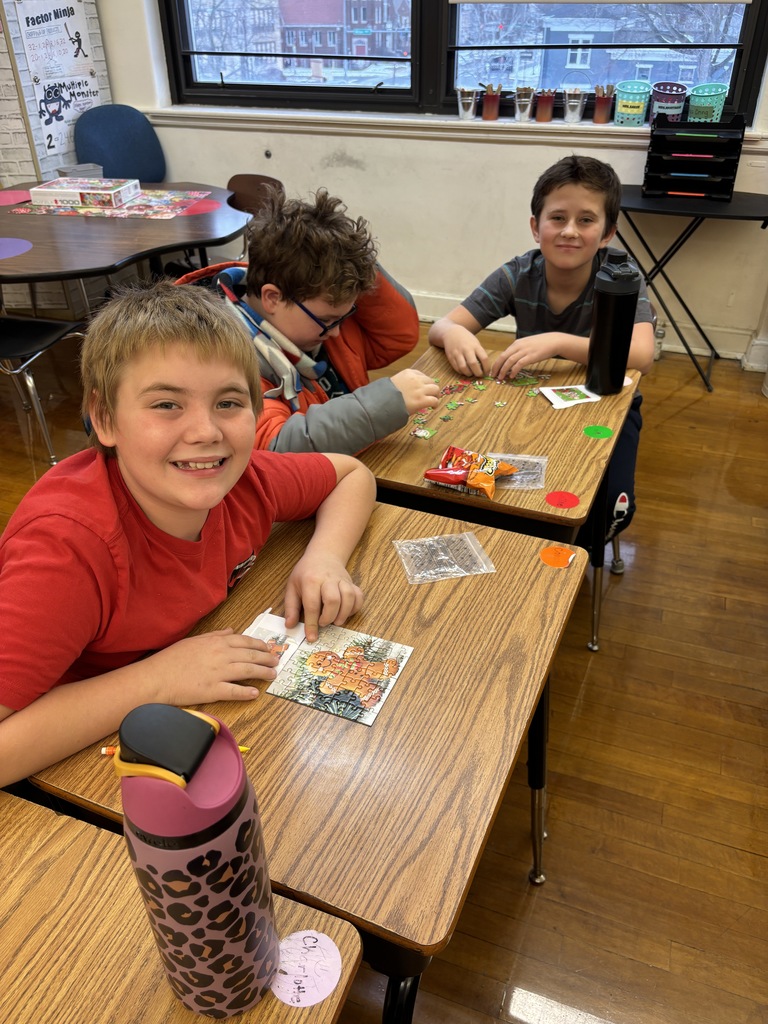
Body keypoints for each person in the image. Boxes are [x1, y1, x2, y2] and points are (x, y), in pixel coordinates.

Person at [0, 281, 377, 788]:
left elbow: (352, 475)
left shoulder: (246, 481)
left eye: (228, 403)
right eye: (166, 405)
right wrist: (157, 681)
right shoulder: (68, 548)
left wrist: (324, 558)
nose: (206, 432)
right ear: (104, 418)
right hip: (69, 770)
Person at [428, 154, 655, 541]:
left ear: (607, 234)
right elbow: (443, 325)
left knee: (607, 509)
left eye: (586, 220)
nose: (569, 231)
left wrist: (560, 342)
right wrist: (454, 334)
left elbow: (642, 356)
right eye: (557, 218)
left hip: (609, 405)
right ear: (536, 227)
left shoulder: (622, 278)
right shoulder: (517, 273)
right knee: (477, 493)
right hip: (525, 405)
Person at [176, 187, 440, 453]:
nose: (336, 332)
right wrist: (382, 404)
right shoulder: (224, 360)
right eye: (328, 320)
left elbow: (398, 337)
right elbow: (276, 447)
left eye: (343, 317)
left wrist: (348, 257)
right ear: (272, 299)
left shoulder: (310, 311)